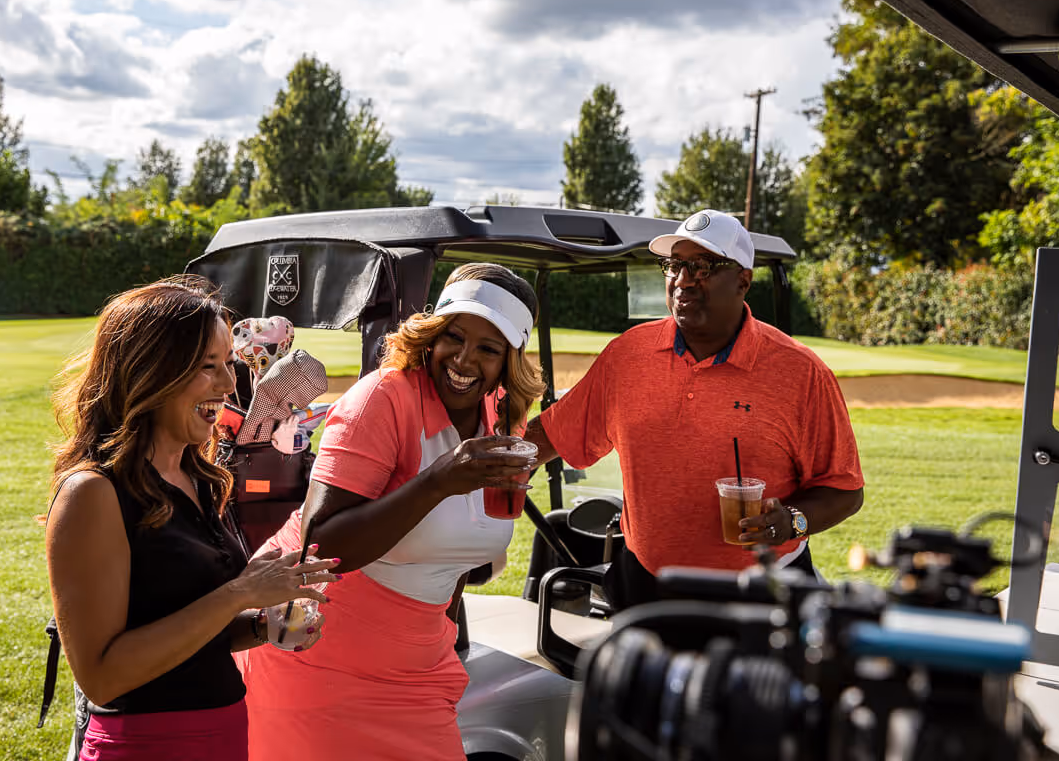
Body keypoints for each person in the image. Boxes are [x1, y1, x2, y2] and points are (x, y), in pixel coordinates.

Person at [238, 262, 547, 761]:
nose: (464, 360)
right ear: (431, 334)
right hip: (319, 655)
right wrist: (438, 481)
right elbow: (323, 546)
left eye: (488, 349)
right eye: (454, 336)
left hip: (418, 666)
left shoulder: (501, 417)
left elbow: (456, 560)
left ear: (508, 361)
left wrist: (442, 637)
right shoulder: (381, 397)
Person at [45, 275, 340, 761]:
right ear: (150, 372)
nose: (228, 385)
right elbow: (101, 675)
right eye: (208, 367)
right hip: (145, 746)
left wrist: (264, 624)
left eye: (229, 364)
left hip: (223, 735)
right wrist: (240, 592)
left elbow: (194, 627)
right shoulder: (93, 493)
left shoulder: (200, 479)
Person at [522, 210, 865, 608]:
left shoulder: (801, 373)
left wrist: (792, 521)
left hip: (757, 595)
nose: (683, 280)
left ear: (743, 280)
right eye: (675, 265)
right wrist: (488, 462)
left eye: (702, 267)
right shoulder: (627, 355)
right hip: (646, 583)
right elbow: (553, 433)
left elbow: (844, 490)